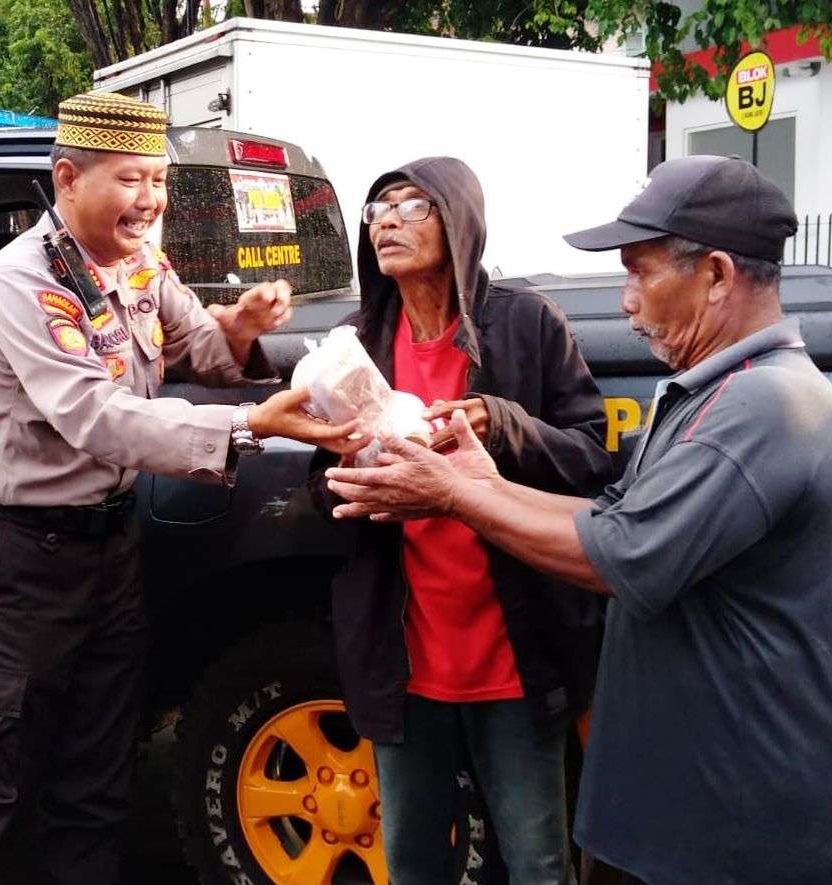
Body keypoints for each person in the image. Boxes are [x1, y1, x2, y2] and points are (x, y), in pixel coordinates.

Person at [324, 156, 832, 883]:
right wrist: (474, 479)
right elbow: (613, 515)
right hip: (706, 796)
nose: (626, 302)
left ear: (717, 275)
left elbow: (621, 554)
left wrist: (456, 491)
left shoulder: (760, 406)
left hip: (747, 816)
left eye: (640, 272)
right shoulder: (712, 392)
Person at [0, 92, 362, 884]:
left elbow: (204, 349)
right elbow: (95, 416)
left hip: (109, 552)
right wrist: (252, 425)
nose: (149, 201)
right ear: (68, 178)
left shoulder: (141, 260)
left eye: (158, 181)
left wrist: (240, 323)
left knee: (96, 782)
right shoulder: (23, 281)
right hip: (16, 566)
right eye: (130, 180)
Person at [309, 157, 614, 883]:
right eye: (377, 208)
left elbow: (593, 457)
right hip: (404, 663)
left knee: (536, 861)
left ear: (460, 220)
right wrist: (348, 479)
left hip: (512, 657)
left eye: (412, 207)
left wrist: (500, 421)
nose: (386, 220)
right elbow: (317, 487)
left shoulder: (525, 323)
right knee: (413, 862)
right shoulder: (354, 345)